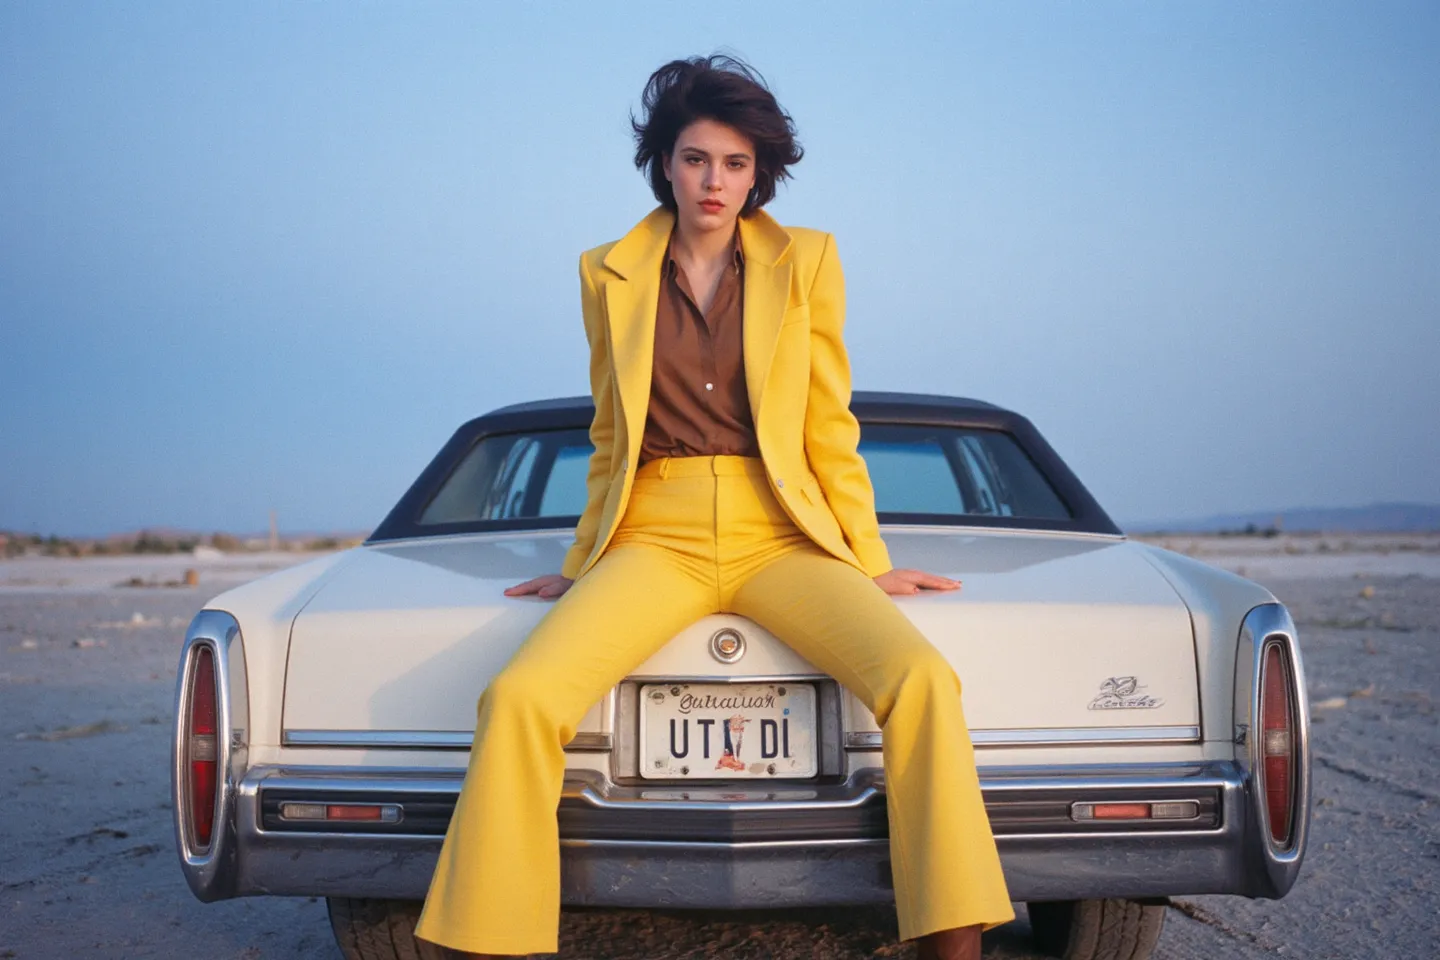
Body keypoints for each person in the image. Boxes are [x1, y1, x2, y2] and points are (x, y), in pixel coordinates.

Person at [414, 55, 1013, 960]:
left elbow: (828, 422)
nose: (715, 182)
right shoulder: (605, 274)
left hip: (783, 532)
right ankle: (493, 946)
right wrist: (579, 569)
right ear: (665, 163)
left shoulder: (805, 260)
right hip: (655, 531)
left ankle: (952, 949)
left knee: (923, 681)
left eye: (735, 164)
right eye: (697, 159)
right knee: (520, 697)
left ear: (757, 174)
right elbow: (610, 435)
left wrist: (867, 554)